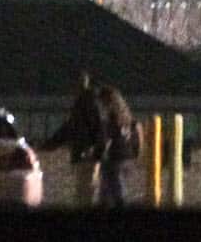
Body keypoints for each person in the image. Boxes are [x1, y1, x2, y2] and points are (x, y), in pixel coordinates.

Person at [40, 71, 104, 207]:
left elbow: (93, 129)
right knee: (84, 189)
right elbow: (70, 129)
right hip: (85, 153)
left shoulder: (86, 103)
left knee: (85, 190)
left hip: (86, 153)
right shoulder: (86, 103)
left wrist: (93, 150)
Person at [96, 85, 138, 209]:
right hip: (127, 156)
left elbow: (107, 140)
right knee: (111, 192)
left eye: (101, 103)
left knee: (115, 194)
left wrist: (98, 154)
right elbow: (135, 134)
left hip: (114, 158)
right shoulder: (127, 116)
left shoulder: (110, 118)